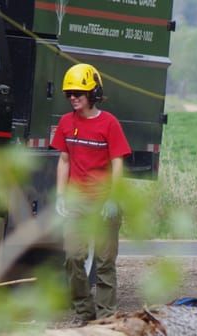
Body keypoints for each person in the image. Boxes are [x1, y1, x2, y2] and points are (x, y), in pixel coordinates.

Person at [50, 63, 131, 322]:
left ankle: (106, 317)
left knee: (105, 263)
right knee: (74, 257)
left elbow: (117, 162)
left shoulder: (109, 123)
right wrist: (61, 195)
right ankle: (84, 312)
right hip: (77, 203)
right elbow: (64, 161)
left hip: (104, 202)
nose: (73, 98)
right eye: (69, 94)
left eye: (78, 93)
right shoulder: (66, 123)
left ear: (93, 94)